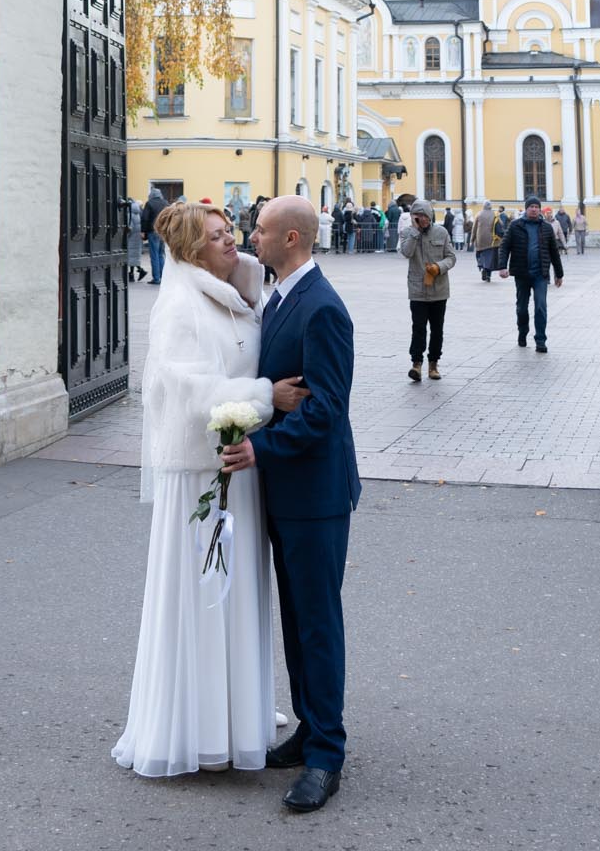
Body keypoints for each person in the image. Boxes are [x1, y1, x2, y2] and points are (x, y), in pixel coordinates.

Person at [114, 201, 308, 779]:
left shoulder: (231, 292)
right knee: (204, 593)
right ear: (191, 251)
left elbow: (249, 290)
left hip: (237, 466)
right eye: (219, 236)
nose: (232, 241)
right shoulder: (180, 306)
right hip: (203, 473)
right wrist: (265, 396)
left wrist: (240, 267)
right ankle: (197, 722)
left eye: (231, 233)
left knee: (237, 589)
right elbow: (193, 391)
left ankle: (237, 706)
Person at [222, 194, 360, 815]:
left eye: (261, 230)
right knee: (297, 619)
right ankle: (309, 728)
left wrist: (261, 447)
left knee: (317, 623)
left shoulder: (323, 308)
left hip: (315, 493)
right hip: (287, 492)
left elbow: (326, 410)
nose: (252, 237)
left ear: (292, 239)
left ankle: (327, 753)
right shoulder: (280, 296)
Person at [497, 196, 565, 352]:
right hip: (522, 273)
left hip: (540, 274)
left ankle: (540, 340)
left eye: (536, 207)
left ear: (539, 209)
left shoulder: (546, 227)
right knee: (522, 308)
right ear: (526, 209)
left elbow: (554, 252)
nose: (534, 209)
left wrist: (559, 274)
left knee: (540, 306)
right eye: (531, 207)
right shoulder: (515, 226)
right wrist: (502, 266)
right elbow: (504, 246)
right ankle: (523, 331)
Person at [399, 198, 456, 381]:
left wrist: (439, 267)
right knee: (418, 328)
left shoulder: (441, 232)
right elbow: (406, 252)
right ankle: (416, 364)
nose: (421, 219)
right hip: (417, 290)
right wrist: (415, 232)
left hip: (439, 290)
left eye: (424, 215)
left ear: (430, 216)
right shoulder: (407, 233)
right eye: (417, 215)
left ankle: (433, 364)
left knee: (437, 329)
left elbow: (451, 257)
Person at [141, 187, 166, 284]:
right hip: (163, 232)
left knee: (154, 255)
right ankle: (163, 277)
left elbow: (145, 218)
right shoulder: (165, 203)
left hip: (153, 231)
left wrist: (143, 231)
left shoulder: (149, 203)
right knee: (161, 254)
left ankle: (156, 278)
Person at [471, 200, 497, 281]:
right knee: (490, 257)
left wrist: (472, 239)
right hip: (491, 239)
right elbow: (500, 225)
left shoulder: (479, 214)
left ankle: (482, 267)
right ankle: (488, 274)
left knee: (480, 254)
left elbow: (474, 228)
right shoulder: (495, 214)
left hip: (480, 239)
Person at [125, 194, 144, 281]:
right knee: (133, 257)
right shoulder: (137, 213)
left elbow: (130, 228)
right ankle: (133, 273)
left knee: (131, 256)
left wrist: (125, 235)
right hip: (137, 237)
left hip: (131, 238)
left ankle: (139, 272)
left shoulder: (129, 214)